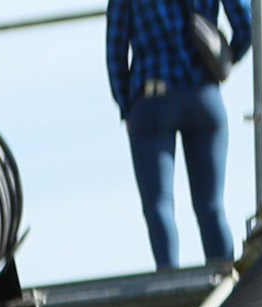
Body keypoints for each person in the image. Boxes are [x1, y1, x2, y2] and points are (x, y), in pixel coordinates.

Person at [106, 0, 251, 272]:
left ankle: (170, 283)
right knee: (211, 208)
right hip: (204, 96)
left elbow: (115, 52)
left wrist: (127, 105)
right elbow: (246, 25)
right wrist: (222, 60)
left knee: (159, 204)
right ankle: (226, 285)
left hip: (151, 101)